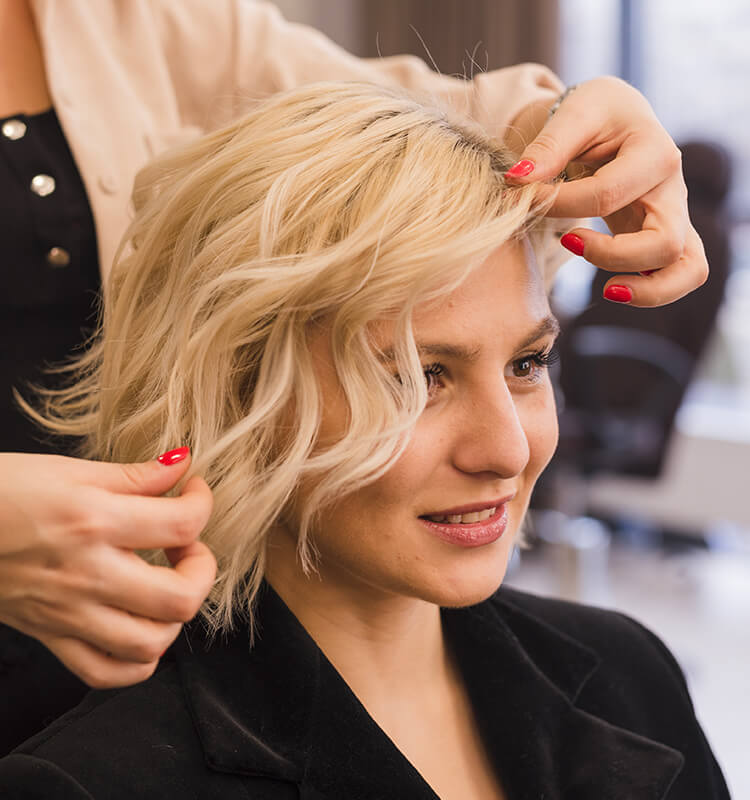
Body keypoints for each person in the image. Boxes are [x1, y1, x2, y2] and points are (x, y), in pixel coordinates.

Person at [0, 0, 709, 751]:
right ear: (239, 383)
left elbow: (385, 119)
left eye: (528, 362)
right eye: (416, 376)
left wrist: (569, 127)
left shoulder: (635, 687)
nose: (507, 450)